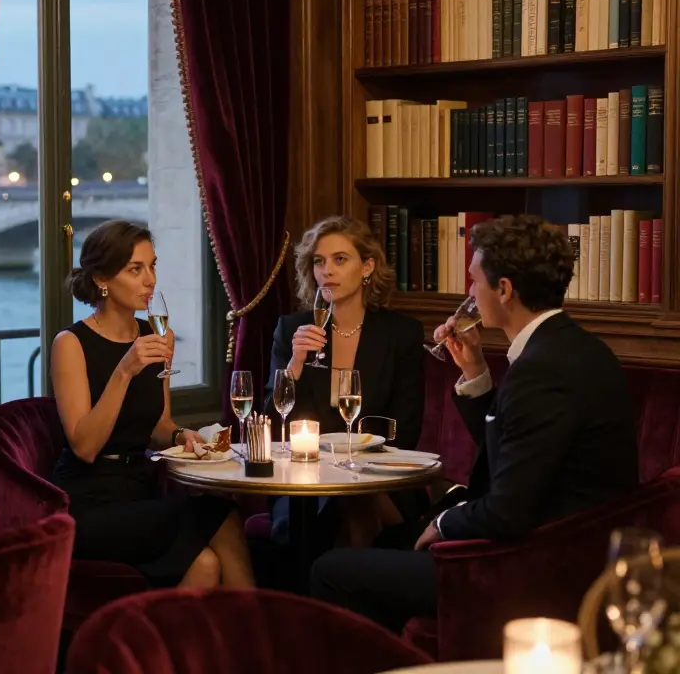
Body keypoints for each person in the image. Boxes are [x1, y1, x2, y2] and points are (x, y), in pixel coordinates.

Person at [309, 214, 638, 633]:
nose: (470, 292)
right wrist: (477, 372)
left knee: (329, 570)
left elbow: (506, 512)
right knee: (387, 542)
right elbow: (515, 449)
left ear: (503, 290)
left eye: (474, 281)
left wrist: (443, 522)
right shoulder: (574, 347)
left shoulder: (542, 370)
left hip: (531, 568)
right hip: (559, 546)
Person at [50, 220, 255, 588]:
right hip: (88, 502)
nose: (150, 280)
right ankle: (259, 637)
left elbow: (159, 425)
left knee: (206, 565)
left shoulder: (159, 336)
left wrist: (181, 434)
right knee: (222, 515)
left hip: (140, 490)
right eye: (135, 269)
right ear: (102, 279)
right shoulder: (70, 343)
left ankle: (165, 645)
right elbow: (84, 446)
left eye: (153, 265)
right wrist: (124, 370)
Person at [265, 216, 425, 547]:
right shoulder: (292, 329)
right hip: (306, 481)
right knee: (317, 518)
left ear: (367, 267)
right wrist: (295, 363)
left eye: (340, 260)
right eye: (319, 262)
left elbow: (404, 430)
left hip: (380, 478)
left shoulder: (400, 334)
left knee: (356, 503)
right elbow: (271, 423)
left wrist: (353, 469)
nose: (327, 271)